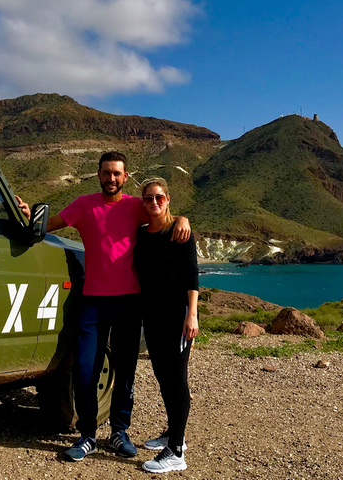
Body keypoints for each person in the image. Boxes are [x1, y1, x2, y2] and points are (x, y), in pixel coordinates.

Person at [19, 152, 190, 462]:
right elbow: (48, 226)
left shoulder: (136, 207)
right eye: (106, 173)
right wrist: (31, 215)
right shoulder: (84, 205)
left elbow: (162, 214)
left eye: (117, 174)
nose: (111, 178)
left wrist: (183, 219)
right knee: (85, 371)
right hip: (94, 302)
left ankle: (119, 431)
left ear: (125, 177)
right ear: (98, 175)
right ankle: (87, 436)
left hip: (129, 303)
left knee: (125, 372)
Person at [134, 177, 199, 473]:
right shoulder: (143, 233)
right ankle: (175, 434)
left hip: (177, 316)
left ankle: (176, 452)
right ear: (143, 202)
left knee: (176, 379)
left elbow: (191, 275)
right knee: (163, 376)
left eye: (159, 197)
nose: (154, 202)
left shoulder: (180, 231)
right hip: (153, 316)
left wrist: (192, 314)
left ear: (168, 199)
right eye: (149, 198)